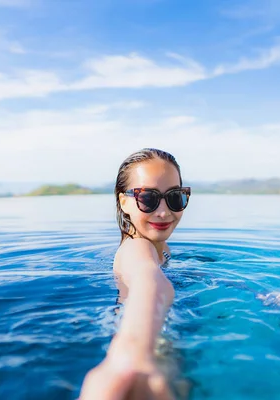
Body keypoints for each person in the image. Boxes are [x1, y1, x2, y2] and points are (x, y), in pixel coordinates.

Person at [80, 148, 191, 400]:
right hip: (150, 349)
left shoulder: (160, 248)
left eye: (174, 197)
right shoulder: (137, 247)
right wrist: (135, 354)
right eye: (148, 198)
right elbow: (147, 280)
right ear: (123, 202)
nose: (163, 212)